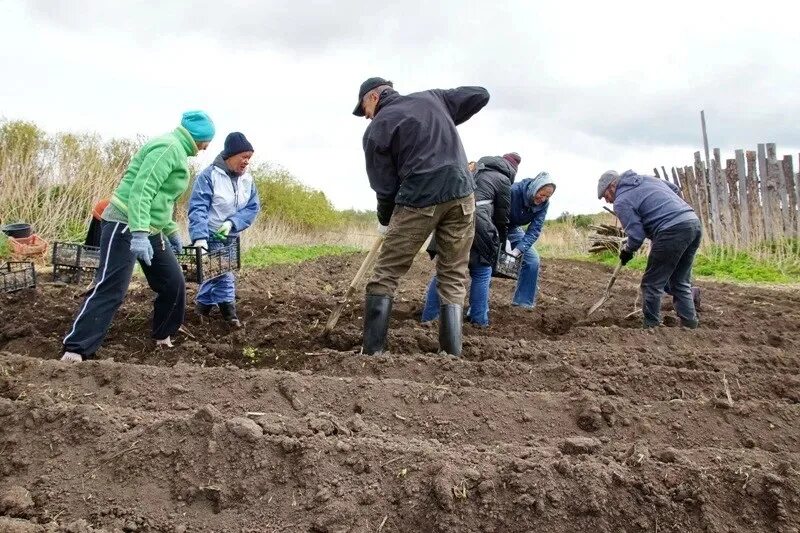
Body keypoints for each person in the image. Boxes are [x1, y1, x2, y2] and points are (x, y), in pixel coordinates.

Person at [60, 111, 215, 362]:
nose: (207, 147)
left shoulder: (178, 152)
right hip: (124, 222)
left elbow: (162, 199)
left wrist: (170, 229)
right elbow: (142, 190)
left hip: (150, 228)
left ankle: (162, 336)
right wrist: (140, 233)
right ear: (198, 137)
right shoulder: (168, 148)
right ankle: (76, 348)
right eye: (207, 140)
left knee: (173, 282)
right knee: (112, 286)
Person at [353, 76, 489, 356]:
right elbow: (480, 94)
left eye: (363, 109)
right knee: (453, 274)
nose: (366, 117)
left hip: (420, 197)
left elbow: (385, 187)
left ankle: (371, 353)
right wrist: (442, 115)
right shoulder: (432, 99)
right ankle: (451, 356)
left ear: (373, 97)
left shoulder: (378, 128)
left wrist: (385, 220)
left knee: (386, 273)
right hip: (462, 193)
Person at [421, 152, 519, 327]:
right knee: (482, 273)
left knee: (445, 272)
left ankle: (430, 318)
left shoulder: (471, 169)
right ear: (512, 170)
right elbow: (501, 218)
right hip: (477, 227)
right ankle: (479, 321)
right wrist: (501, 245)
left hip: (450, 223)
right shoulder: (502, 180)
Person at [597, 170, 702, 328]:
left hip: (671, 230)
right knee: (679, 281)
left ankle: (651, 326)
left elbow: (637, 235)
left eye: (606, 196)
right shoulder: (647, 179)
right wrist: (670, 212)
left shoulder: (621, 201)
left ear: (612, 186)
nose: (608, 201)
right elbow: (674, 189)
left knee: (651, 284)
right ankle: (690, 325)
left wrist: (627, 251)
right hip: (692, 223)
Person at [188, 132, 260, 327]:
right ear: (230, 156)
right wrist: (200, 238)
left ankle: (201, 308)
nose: (246, 162)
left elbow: (252, 208)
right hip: (210, 233)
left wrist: (232, 223)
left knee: (214, 273)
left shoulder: (248, 181)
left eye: (249, 158)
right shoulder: (209, 176)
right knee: (224, 273)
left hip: (230, 235)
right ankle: (230, 315)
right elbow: (198, 208)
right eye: (243, 157)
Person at [506, 172, 556, 308]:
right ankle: (479, 308)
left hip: (514, 229)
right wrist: (502, 240)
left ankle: (523, 303)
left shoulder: (543, 205)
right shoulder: (514, 191)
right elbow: (496, 213)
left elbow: (534, 230)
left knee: (532, 260)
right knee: (487, 262)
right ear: (535, 187)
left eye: (548, 196)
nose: (543, 198)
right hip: (496, 225)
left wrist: (517, 250)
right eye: (542, 194)